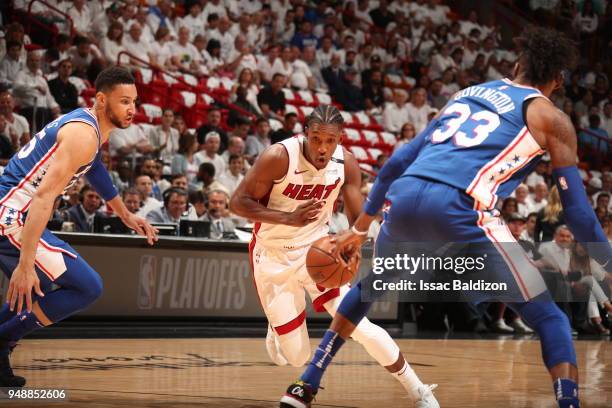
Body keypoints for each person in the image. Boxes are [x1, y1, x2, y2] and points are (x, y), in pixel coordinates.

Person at [280, 28, 612, 408]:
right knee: (549, 317)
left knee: (367, 289)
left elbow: (399, 161)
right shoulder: (552, 118)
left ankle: (305, 384)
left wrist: (359, 229)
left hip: (405, 199)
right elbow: (579, 214)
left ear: (517, 66)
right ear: (559, 80)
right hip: (460, 208)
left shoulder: (466, 94)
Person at [231, 105, 439, 408]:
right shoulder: (279, 157)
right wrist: (288, 219)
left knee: (360, 326)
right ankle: (276, 329)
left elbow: (359, 220)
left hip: (319, 252)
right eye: (316, 139)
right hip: (273, 256)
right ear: (305, 134)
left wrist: (352, 247)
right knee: (296, 357)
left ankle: (418, 391)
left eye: (330, 141)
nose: (322, 147)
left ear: (340, 138)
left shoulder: (346, 164)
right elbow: (237, 203)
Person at [0, 66, 158, 387]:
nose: (132, 109)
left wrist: (126, 215)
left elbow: (94, 168)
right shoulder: (83, 134)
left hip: (12, 210)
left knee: (36, 290)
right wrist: (26, 263)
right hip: (13, 215)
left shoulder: (89, 126)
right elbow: (44, 197)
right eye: (124, 101)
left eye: (135, 102)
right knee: (87, 287)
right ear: (101, 100)